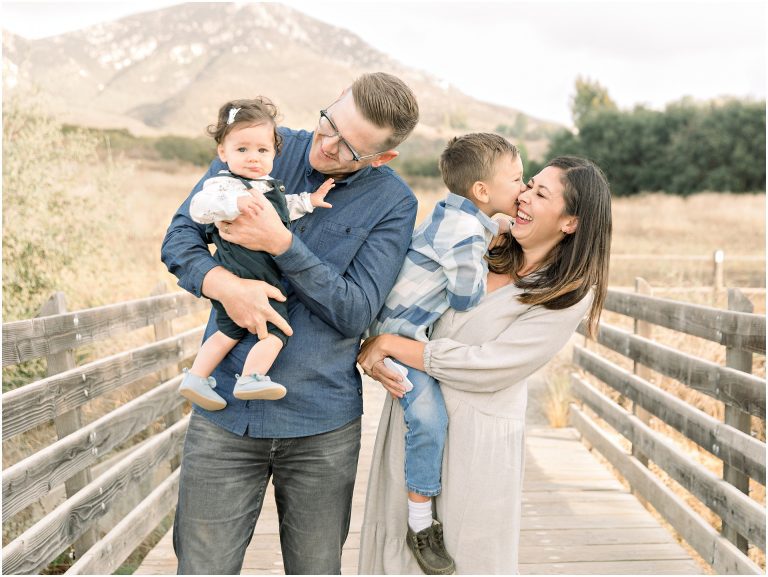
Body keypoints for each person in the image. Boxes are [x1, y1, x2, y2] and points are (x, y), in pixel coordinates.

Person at [161, 72, 419, 575]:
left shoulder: (394, 203)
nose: (325, 146)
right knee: (200, 568)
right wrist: (227, 287)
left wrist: (282, 243)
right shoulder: (257, 145)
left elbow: (355, 311)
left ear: (381, 159)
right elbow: (180, 240)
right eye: (328, 124)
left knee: (316, 569)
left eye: (347, 149)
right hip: (225, 413)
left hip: (320, 424)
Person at [357, 155, 612, 575]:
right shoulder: (475, 246)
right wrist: (377, 343)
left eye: (541, 193)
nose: (523, 196)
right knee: (395, 556)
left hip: (478, 441)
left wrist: (392, 345)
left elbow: (490, 366)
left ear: (570, 222)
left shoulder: (565, 292)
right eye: (527, 184)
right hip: (414, 420)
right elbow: (407, 297)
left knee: (464, 557)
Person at [367, 133, 524, 575]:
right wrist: (486, 255)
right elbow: (464, 298)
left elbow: (480, 232)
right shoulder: (465, 235)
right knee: (429, 419)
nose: (523, 187)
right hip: (399, 335)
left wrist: (495, 231)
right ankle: (420, 522)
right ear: (482, 191)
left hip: (405, 328)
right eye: (516, 179)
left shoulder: (457, 216)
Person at [178, 97, 335, 411]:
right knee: (276, 330)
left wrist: (309, 201)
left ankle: (196, 376)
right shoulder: (223, 184)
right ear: (223, 152)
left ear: (275, 153)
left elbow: (283, 210)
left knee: (229, 329)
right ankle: (251, 377)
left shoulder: (267, 186)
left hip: (260, 273)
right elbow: (199, 208)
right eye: (242, 150)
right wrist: (232, 205)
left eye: (262, 150)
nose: (253, 158)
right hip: (239, 272)